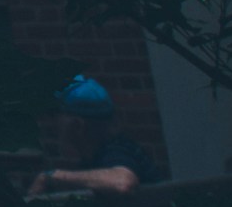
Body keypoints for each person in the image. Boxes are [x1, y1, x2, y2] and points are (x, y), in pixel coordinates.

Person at [27, 75, 165, 198]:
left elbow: (122, 182)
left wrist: (53, 177)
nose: (51, 123)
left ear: (77, 125)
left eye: (54, 114)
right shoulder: (97, 156)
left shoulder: (117, 152)